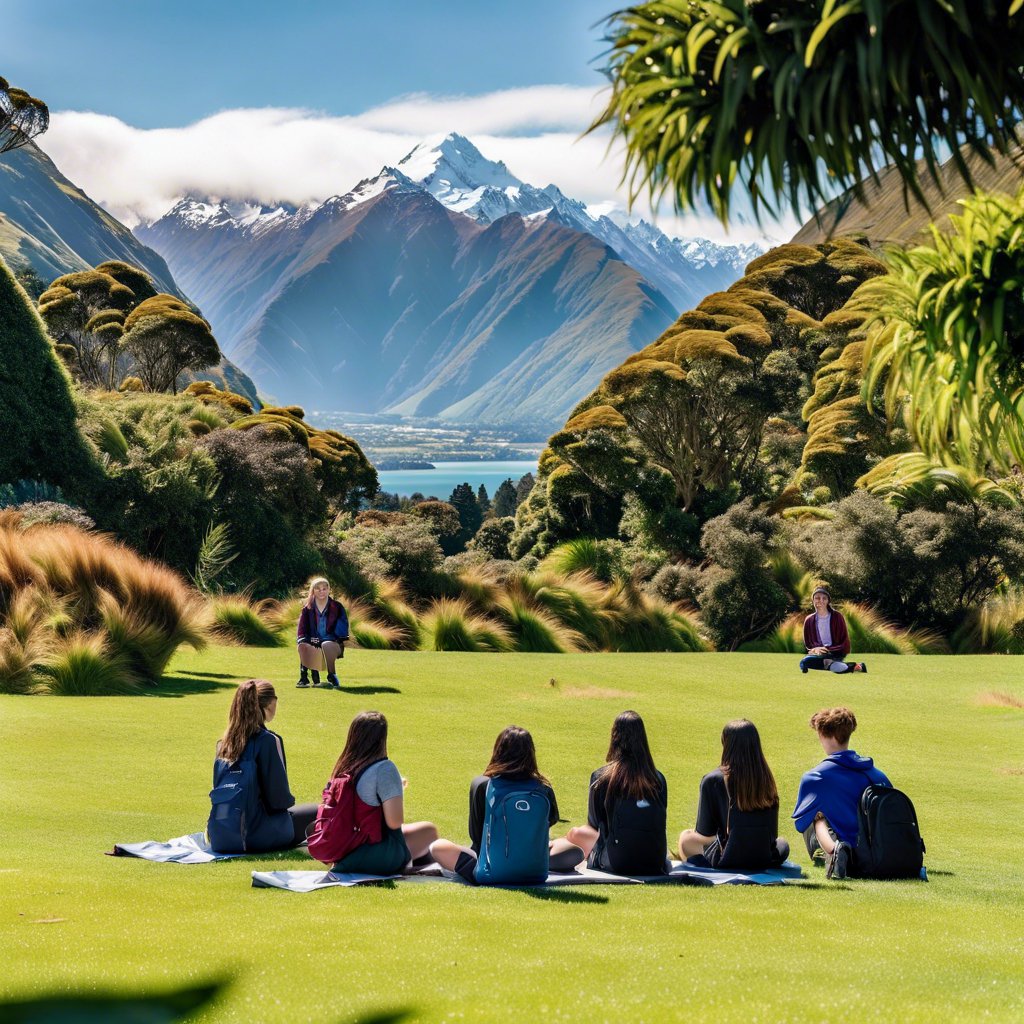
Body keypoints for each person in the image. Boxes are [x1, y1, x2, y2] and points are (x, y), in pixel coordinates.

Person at [430, 725, 584, 883]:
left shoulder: (483, 784)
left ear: (498, 750)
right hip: (536, 870)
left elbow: (476, 836)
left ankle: (495, 870)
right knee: (571, 850)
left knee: (438, 847)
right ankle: (522, 866)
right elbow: (549, 822)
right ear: (531, 753)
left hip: (491, 869)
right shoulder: (543, 787)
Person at [207, 679, 317, 853]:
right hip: (255, 834)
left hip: (220, 834)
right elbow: (279, 801)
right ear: (270, 704)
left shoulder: (223, 744)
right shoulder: (268, 740)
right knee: (322, 811)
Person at [323, 711, 437, 875]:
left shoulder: (343, 767)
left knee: (418, 832)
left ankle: (410, 866)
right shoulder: (384, 768)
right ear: (381, 739)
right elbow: (395, 822)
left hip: (341, 848)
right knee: (429, 830)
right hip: (371, 851)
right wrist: (396, 790)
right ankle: (410, 869)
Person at [792, 706, 891, 879]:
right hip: (881, 851)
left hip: (853, 856)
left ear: (823, 734)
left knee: (813, 815)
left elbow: (800, 824)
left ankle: (833, 851)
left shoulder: (815, 777)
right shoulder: (877, 774)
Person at [564, 711, 668, 876]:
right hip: (655, 860)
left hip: (617, 860)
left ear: (615, 737)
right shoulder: (658, 779)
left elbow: (593, 825)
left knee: (575, 834)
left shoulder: (601, 777)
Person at [678, 719, 790, 871]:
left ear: (725, 744)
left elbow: (705, 833)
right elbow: (772, 834)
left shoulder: (713, 780)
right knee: (782, 843)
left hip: (729, 856)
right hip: (763, 856)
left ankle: (700, 869)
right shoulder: (766, 779)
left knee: (686, 837)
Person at [296, 577, 349, 689]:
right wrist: (309, 639)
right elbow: (302, 630)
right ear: (313, 590)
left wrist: (327, 639)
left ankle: (332, 675)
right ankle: (304, 679)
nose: (321, 591)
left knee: (326, 644)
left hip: (333, 642)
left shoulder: (337, 607)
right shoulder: (307, 608)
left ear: (329, 590)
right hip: (314, 641)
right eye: (318, 589)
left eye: (324, 589)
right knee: (303, 645)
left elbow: (342, 628)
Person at [800, 586, 866, 674]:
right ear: (813, 600)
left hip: (836, 652)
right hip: (819, 654)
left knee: (810, 662)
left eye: (824, 598)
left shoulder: (837, 617)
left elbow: (845, 642)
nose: (821, 601)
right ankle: (832, 665)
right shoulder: (809, 620)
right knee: (804, 662)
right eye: (817, 598)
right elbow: (808, 644)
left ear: (828, 601)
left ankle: (851, 666)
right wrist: (815, 649)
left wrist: (827, 649)